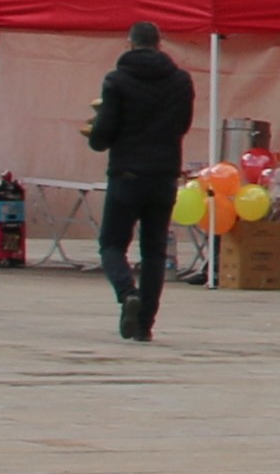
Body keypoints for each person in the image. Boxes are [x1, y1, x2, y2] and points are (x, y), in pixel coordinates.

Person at [84, 18, 198, 343]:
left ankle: (126, 292)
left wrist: (94, 135)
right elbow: (183, 125)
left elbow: (102, 134)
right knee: (154, 251)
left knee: (112, 244)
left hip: (126, 173)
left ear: (129, 43)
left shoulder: (117, 80)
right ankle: (145, 323)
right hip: (163, 174)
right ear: (160, 44)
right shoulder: (181, 81)